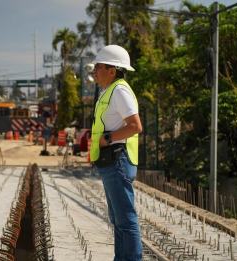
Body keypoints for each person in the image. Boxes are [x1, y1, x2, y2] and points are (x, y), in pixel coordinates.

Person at [89, 45, 143, 261]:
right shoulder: (108, 91)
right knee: (118, 219)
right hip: (110, 161)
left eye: (98, 67)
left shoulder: (120, 90)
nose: (95, 71)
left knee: (126, 220)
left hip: (118, 159)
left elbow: (135, 126)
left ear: (112, 70)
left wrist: (108, 139)